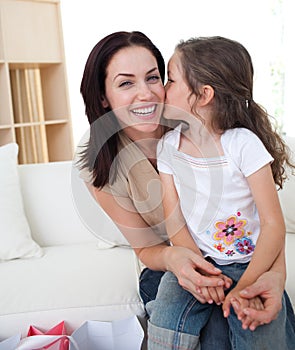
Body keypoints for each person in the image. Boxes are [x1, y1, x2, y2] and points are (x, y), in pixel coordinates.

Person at [77, 31, 295, 349]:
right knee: (211, 335)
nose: (148, 94)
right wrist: (187, 263)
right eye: (126, 83)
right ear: (103, 97)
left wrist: (274, 275)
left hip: (242, 258)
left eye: (155, 78)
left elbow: (266, 223)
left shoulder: (202, 124)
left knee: (249, 320)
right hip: (174, 261)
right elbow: (148, 249)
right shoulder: (103, 161)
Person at [147, 35, 295, 349]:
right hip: (198, 260)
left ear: (204, 95)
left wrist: (250, 282)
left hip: (250, 264)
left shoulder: (243, 144)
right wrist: (201, 269)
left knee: (254, 326)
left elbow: (273, 224)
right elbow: (175, 221)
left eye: (171, 80)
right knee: (166, 309)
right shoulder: (168, 147)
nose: (163, 88)